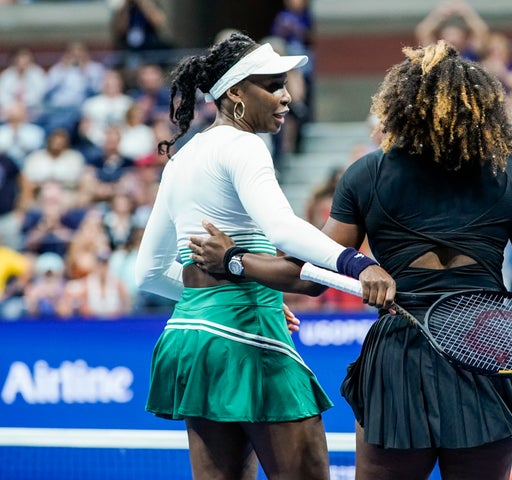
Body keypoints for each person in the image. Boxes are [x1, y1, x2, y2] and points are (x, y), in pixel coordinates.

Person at [189, 40, 512, 480]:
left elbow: (311, 274)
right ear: (479, 107)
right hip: (489, 353)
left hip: (400, 359)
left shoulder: (368, 173)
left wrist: (233, 260)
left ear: (400, 106)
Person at [134, 33, 395, 480]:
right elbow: (282, 230)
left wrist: (226, 296)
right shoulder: (244, 144)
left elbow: (149, 274)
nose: (286, 96)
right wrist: (358, 263)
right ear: (234, 93)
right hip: (246, 335)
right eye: (272, 85)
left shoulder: (183, 156)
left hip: (191, 337)